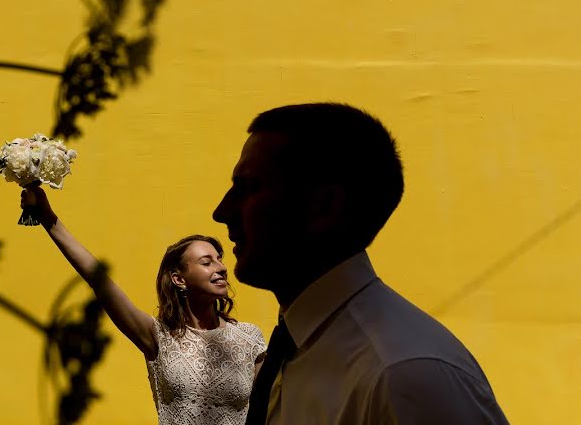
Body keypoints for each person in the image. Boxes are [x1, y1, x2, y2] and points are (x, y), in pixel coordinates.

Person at [212, 102, 509, 425]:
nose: (222, 211)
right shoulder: (298, 349)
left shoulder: (403, 376)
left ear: (325, 206)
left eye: (249, 188)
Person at [21, 186, 267, 425]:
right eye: (207, 262)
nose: (221, 267)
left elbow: (269, 412)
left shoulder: (249, 338)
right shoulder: (158, 336)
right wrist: (48, 218)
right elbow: (100, 282)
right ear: (179, 279)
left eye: (219, 260)